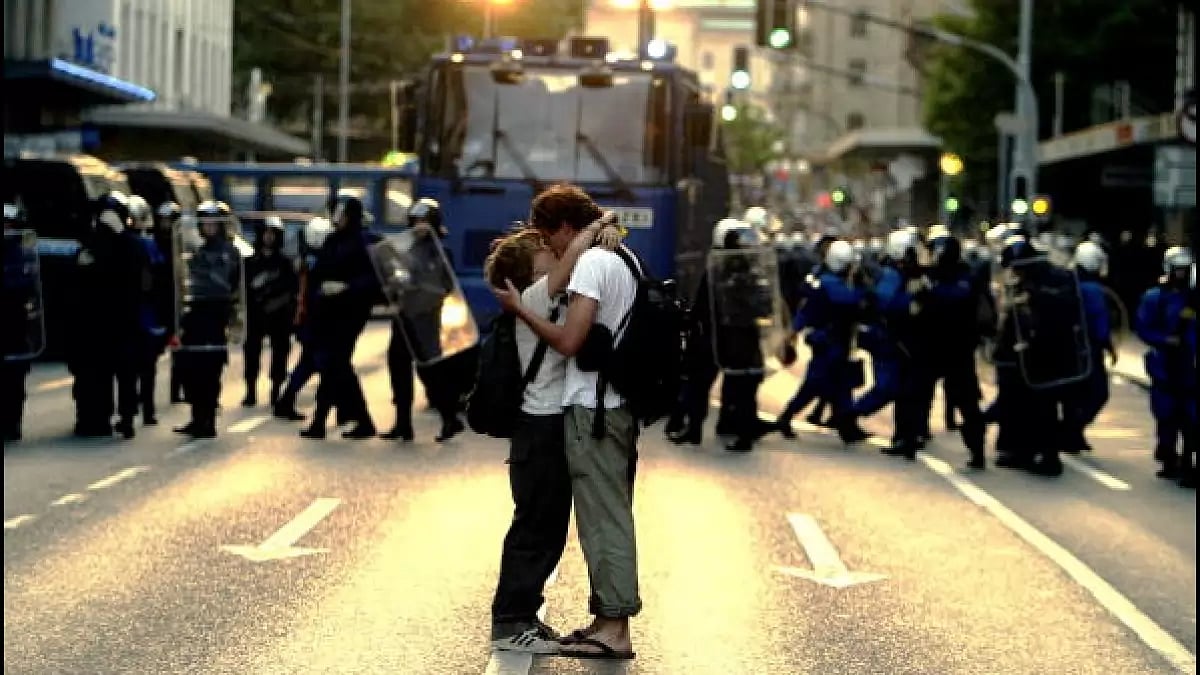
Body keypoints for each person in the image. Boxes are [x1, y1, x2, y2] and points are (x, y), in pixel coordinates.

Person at [494, 184, 640, 660]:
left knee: (552, 526)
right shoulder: (534, 297)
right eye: (543, 256)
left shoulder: (563, 283)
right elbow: (572, 249)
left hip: (558, 421)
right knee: (535, 525)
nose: (554, 258)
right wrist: (602, 227)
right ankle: (512, 619)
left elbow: (574, 248)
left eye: (548, 243)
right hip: (537, 425)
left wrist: (606, 225)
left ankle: (528, 615)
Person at [300, 195, 379, 439]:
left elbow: (373, 279)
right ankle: (356, 420)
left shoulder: (364, 243)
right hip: (327, 313)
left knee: (336, 364)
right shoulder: (332, 241)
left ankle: (323, 421)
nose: (337, 219)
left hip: (350, 313)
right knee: (336, 366)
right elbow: (318, 274)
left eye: (342, 214)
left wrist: (346, 287)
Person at [174, 201, 243, 439]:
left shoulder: (230, 251)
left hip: (215, 313)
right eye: (204, 222)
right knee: (187, 366)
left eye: (213, 222)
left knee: (209, 369)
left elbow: (230, 284)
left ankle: (208, 419)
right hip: (194, 312)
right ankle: (196, 415)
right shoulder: (197, 250)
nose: (208, 226)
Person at [1135, 246, 1196, 487]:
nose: (1180, 274)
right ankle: (1168, 455)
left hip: (1191, 366)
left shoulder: (1193, 298)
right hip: (1166, 366)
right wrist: (1163, 340)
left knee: (1192, 417)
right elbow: (1144, 327)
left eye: (1185, 269)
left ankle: (1189, 461)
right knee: (1167, 413)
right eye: (1177, 269)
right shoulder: (1155, 297)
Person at [243, 216, 299, 408]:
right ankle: (250, 391)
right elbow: (243, 289)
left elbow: (293, 289)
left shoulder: (285, 263)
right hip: (255, 314)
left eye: (273, 234)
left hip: (279, 315)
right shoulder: (249, 262)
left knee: (280, 352)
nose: (269, 237)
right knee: (251, 352)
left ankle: (276, 390)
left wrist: (280, 303)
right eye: (266, 233)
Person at [126, 195, 169, 427]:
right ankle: (136, 406)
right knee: (135, 365)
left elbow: (157, 277)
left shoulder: (148, 244)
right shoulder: (126, 243)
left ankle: (146, 407)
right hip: (135, 310)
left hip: (147, 311)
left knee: (146, 365)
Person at [2, 203, 40, 442]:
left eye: (9, 226)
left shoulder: (23, 254)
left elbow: (29, 286)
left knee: (15, 379)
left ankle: (12, 423)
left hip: (15, 324)